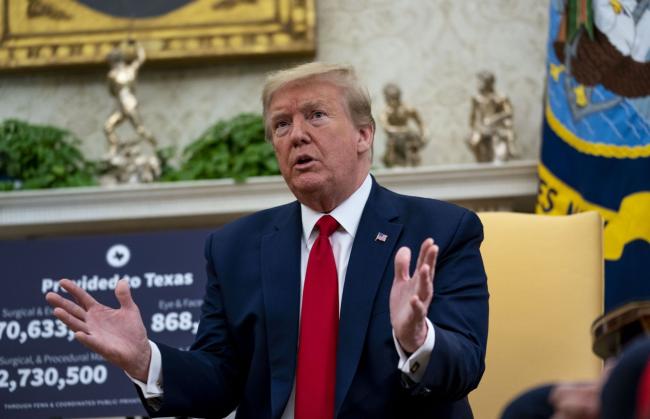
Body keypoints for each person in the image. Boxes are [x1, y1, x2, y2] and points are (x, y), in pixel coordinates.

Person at [46, 62, 489, 418]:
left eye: (315, 115)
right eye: (281, 124)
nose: (296, 134)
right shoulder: (235, 247)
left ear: (363, 135)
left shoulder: (441, 230)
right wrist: (145, 360)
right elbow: (219, 383)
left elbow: (465, 366)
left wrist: (418, 339)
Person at [380, 83, 427, 167]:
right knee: (392, 144)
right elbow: (386, 128)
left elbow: (421, 123)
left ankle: (413, 159)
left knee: (413, 139)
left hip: (407, 140)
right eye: (390, 99)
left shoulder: (407, 109)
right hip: (394, 141)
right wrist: (403, 130)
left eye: (395, 98)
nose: (392, 101)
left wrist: (424, 134)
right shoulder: (386, 112)